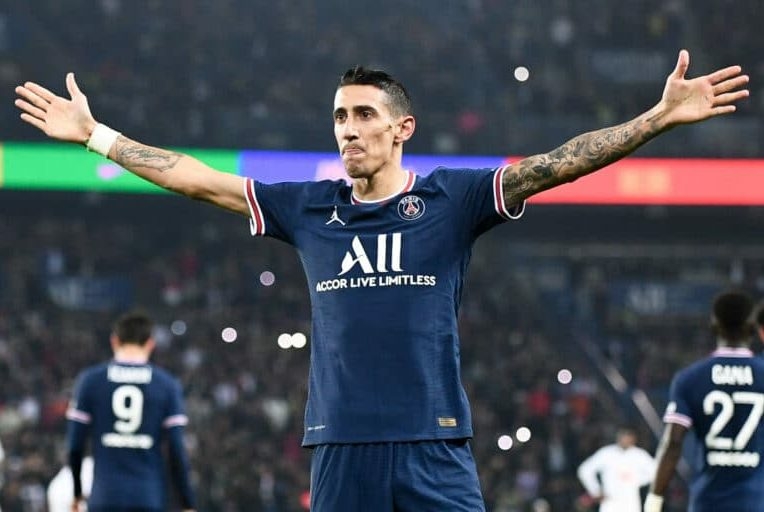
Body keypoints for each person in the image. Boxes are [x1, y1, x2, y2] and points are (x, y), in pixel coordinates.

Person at [15, 50, 748, 511]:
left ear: (403, 129)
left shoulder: (453, 199)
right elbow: (196, 178)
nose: (348, 128)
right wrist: (96, 136)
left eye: (365, 114)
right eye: (340, 116)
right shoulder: (308, 207)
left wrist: (654, 120)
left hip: (435, 444)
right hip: (341, 447)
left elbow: (559, 163)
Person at [644, 290, 764, 512]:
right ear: (752, 328)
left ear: (714, 326)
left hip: (708, 502)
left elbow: (673, 444)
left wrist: (654, 500)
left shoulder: (690, 378)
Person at [64, 312, 196, 512]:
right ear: (150, 344)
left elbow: (75, 446)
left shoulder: (90, 381)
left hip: (104, 497)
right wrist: (187, 502)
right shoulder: (167, 385)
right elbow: (176, 449)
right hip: (147, 497)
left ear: (114, 341)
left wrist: (77, 493)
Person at [577, 425, 656, 512]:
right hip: (610, 502)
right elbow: (585, 470)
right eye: (623, 435)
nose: (626, 439)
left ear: (634, 438)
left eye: (628, 436)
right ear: (618, 437)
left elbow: (655, 473)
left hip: (630, 502)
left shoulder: (639, 455)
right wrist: (596, 491)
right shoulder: (607, 453)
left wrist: (636, 480)